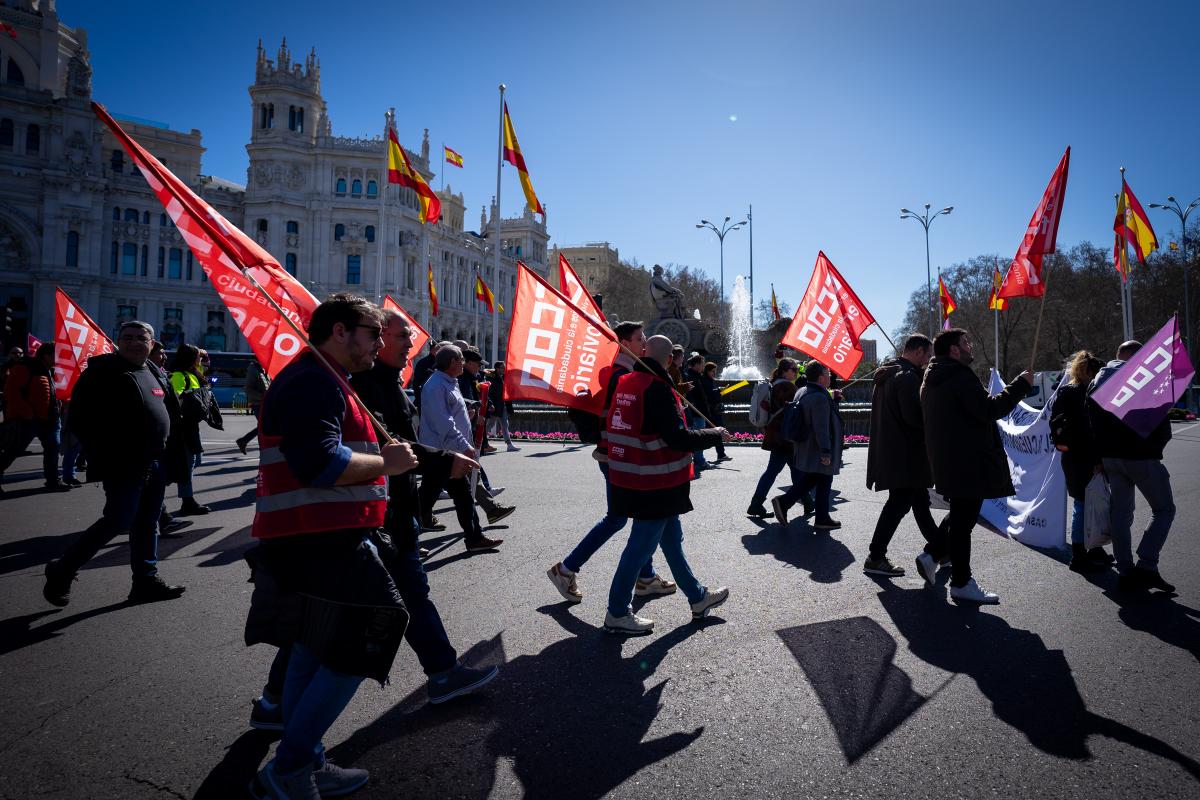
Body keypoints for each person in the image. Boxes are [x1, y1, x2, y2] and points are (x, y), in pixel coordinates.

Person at [243, 294, 418, 799]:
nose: (380, 343)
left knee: (311, 648)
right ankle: (291, 768)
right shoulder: (312, 381)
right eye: (373, 332)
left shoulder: (326, 378)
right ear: (340, 331)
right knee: (367, 638)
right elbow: (318, 464)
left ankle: (302, 760)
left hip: (316, 536)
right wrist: (387, 465)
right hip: (321, 540)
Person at [42, 321, 188, 606]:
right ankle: (62, 569)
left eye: (141, 338)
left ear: (151, 343)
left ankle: (145, 581)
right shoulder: (103, 372)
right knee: (119, 519)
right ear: (117, 342)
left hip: (156, 461)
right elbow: (81, 418)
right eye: (127, 337)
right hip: (125, 464)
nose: (134, 342)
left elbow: (169, 411)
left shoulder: (155, 371)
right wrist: (109, 453)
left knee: (147, 522)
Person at [602, 335, 731, 634]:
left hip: (630, 474)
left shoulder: (626, 382)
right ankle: (617, 612)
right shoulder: (657, 387)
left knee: (672, 541)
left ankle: (697, 597)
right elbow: (678, 438)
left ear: (644, 351)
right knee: (639, 547)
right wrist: (714, 434)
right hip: (655, 480)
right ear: (670, 359)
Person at [547, 321, 677, 603]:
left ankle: (645, 576)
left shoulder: (618, 372)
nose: (645, 343)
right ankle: (566, 569)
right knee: (619, 518)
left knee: (638, 516)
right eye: (640, 338)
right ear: (624, 344)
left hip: (614, 454)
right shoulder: (621, 376)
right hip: (617, 456)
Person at [920, 328, 1031, 604]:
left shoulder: (932, 378)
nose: (970, 346)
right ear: (954, 350)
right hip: (969, 461)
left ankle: (933, 554)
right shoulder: (959, 376)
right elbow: (989, 410)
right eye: (965, 343)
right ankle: (961, 582)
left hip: (950, 460)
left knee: (961, 515)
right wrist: (1020, 385)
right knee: (963, 524)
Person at [1087, 340, 1176, 593]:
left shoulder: (1097, 381)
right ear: (1138, 358)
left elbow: (1092, 424)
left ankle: (1125, 571)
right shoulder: (1142, 380)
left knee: (1121, 515)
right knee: (1164, 509)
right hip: (1141, 456)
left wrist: (1100, 457)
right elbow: (1161, 421)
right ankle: (1147, 565)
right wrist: (1155, 449)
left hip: (1111, 458)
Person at [863, 334, 945, 578]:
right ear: (918, 351)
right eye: (928, 354)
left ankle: (942, 550)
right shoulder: (908, 377)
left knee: (919, 502)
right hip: (907, 454)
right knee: (899, 504)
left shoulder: (889, 374)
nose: (929, 359)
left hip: (895, 451)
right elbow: (914, 419)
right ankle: (875, 556)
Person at [416, 345, 506, 551]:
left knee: (457, 495)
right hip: (441, 452)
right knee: (432, 497)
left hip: (449, 450)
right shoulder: (437, 385)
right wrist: (465, 446)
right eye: (461, 360)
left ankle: (474, 537)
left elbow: (450, 415)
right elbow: (443, 422)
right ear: (453, 362)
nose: (464, 364)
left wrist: (467, 413)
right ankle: (404, 539)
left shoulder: (447, 382)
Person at [1049, 350, 1110, 573]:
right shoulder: (1092, 392)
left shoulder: (1065, 391)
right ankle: (1081, 553)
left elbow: (1055, 422)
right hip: (1089, 457)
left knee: (1083, 504)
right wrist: (1098, 460)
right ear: (1092, 372)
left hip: (1071, 456)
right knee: (1089, 505)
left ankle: (1088, 550)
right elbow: (1093, 431)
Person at [770, 361, 844, 530]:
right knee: (822, 477)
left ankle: (819, 516)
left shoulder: (803, 390)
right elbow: (821, 428)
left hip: (805, 444)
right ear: (821, 378)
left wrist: (832, 398)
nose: (830, 377)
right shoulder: (819, 397)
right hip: (817, 446)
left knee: (817, 478)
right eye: (828, 374)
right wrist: (826, 451)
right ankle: (787, 503)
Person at [0, 343, 70, 493]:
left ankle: (52, 480)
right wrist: (27, 414)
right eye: (55, 355)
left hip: (50, 419)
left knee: (53, 449)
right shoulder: (25, 366)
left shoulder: (51, 369)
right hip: (28, 420)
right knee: (12, 451)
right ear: (46, 355)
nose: (58, 358)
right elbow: (10, 392)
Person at [746, 358, 804, 518]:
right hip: (784, 438)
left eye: (797, 369)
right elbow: (795, 411)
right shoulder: (787, 387)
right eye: (794, 369)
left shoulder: (775, 384)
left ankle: (807, 501)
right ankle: (756, 504)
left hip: (779, 435)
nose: (796, 372)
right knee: (772, 472)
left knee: (796, 470)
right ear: (784, 371)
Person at [167, 344, 214, 516]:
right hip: (183, 426)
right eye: (198, 357)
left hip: (192, 425)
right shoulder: (179, 375)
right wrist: (191, 399)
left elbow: (206, 365)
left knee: (195, 461)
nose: (200, 360)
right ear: (191, 359)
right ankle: (187, 501)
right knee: (187, 463)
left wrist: (204, 354)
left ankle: (177, 483)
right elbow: (174, 400)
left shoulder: (194, 372)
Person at [683, 354, 712, 472]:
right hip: (696, 412)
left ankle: (698, 459)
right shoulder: (691, 377)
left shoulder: (697, 376)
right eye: (702, 364)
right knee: (699, 437)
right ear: (696, 365)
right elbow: (692, 396)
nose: (703, 366)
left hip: (699, 411)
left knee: (699, 436)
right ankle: (699, 461)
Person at [237, 357, 271, 455]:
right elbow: (248, 389)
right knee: (264, 426)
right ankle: (262, 450)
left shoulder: (265, 368)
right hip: (258, 404)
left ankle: (244, 441)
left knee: (263, 426)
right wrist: (263, 397)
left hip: (265, 404)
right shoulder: (254, 368)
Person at [701, 361, 731, 462]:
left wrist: (720, 391)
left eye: (715, 371)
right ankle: (699, 457)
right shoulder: (704, 380)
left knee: (717, 432)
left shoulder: (710, 380)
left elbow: (714, 394)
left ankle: (721, 454)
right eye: (712, 371)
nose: (714, 373)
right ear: (707, 371)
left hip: (714, 411)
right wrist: (718, 390)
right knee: (714, 433)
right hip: (710, 412)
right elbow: (709, 394)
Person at [487, 361, 520, 451]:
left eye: (504, 367)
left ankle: (509, 445)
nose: (504, 369)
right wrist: (491, 404)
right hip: (495, 406)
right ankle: (481, 441)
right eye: (502, 368)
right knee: (490, 424)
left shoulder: (504, 378)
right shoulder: (492, 379)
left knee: (505, 425)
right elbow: (490, 394)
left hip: (502, 406)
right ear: (497, 369)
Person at [410, 339, 446, 411]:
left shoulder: (444, 363)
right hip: (426, 402)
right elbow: (417, 384)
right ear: (434, 349)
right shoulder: (423, 363)